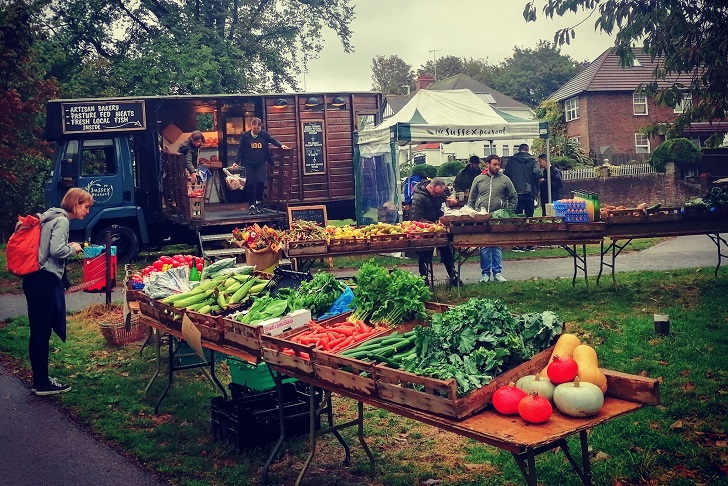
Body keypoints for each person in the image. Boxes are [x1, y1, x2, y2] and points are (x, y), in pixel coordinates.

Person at [23, 188, 93, 395]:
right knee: (41, 332)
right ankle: (42, 384)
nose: (87, 211)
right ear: (76, 204)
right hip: (43, 280)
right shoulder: (62, 220)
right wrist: (74, 248)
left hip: (33, 278)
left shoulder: (49, 216)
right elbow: (56, 250)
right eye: (86, 207)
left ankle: (40, 379)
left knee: (38, 331)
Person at [468, 155, 517, 283]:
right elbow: (471, 199)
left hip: (498, 217)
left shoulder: (505, 180)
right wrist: (472, 214)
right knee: (484, 245)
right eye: (494, 164)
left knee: (496, 245)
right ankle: (485, 273)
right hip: (482, 217)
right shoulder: (478, 179)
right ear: (487, 164)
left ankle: (497, 272)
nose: (497, 167)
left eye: (498, 165)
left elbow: (513, 196)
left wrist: (507, 212)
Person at [410, 177, 461, 286]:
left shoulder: (442, 192)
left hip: (441, 230)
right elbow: (416, 217)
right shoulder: (418, 197)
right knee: (425, 255)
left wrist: (454, 202)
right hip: (426, 230)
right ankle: (424, 279)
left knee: (447, 253)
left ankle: (453, 277)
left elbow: (449, 195)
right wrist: (432, 224)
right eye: (436, 193)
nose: (438, 196)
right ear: (431, 187)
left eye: (440, 193)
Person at [233, 117, 289, 214]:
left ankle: (259, 202)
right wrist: (236, 162)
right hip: (248, 163)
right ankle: (251, 205)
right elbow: (240, 150)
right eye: (254, 128)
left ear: (260, 127)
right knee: (250, 183)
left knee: (260, 182)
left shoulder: (264, 134)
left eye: (258, 129)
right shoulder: (245, 136)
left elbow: (272, 140)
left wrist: (281, 145)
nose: (256, 130)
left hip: (260, 163)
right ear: (251, 126)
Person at [504, 143, 542, 251]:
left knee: (517, 218)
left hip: (515, 192)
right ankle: (529, 244)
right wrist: (541, 176)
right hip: (529, 192)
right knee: (529, 218)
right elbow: (537, 173)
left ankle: (518, 244)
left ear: (519, 150)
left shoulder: (512, 161)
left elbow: (506, 175)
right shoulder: (533, 160)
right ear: (527, 150)